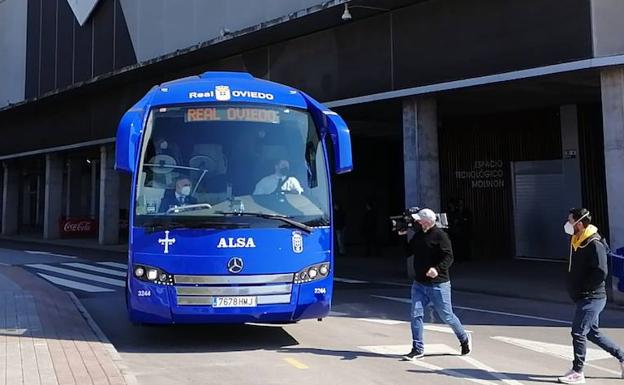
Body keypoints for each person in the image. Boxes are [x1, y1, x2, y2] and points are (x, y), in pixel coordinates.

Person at [557, 208, 624, 384]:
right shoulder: (578, 239)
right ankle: (622, 357)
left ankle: (578, 372)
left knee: (578, 332)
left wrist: (585, 288)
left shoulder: (594, 242)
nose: (567, 224)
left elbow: (601, 271)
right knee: (592, 333)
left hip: (592, 297)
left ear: (579, 223)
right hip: (584, 296)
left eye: (570, 220)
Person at [400, 208, 471, 360]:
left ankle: (464, 339)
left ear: (427, 222)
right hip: (419, 283)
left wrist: (436, 269)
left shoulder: (440, 236)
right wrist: (403, 236)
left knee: (447, 316)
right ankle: (417, 348)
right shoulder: (419, 235)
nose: (416, 222)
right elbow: (408, 253)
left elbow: (449, 257)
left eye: (419, 220)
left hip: (439, 284)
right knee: (415, 314)